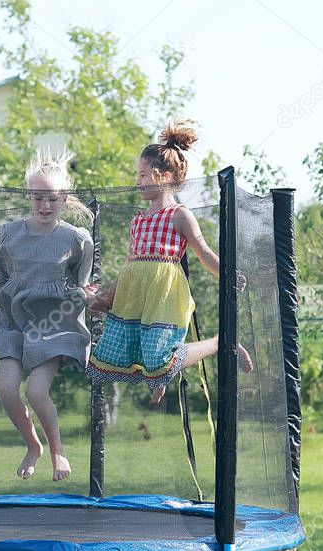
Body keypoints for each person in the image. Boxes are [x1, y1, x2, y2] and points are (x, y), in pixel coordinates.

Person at [87, 118, 252, 403]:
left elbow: (203, 253)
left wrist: (226, 274)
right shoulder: (138, 220)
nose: (137, 181)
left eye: (142, 175)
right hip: (135, 298)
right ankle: (158, 377)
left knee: (160, 360)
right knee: (110, 360)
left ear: (163, 176)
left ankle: (220, 342)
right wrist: (108, 297)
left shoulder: (179, 215)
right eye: (136, 175)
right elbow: (129, 265)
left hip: (163, 296)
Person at [0, 151, 96, 481]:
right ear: (29, 197)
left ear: (63, 199)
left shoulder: (77, 239)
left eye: (52, 199)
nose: (45, 206)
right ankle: (33, 445)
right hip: (14, 321)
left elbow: (82, 283)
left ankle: (57, 450)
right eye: (38, 198)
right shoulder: (10, 233)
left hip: (54, 324)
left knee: (36, 392)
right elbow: (0, 276)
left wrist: (91, 296)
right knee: (6, 389)